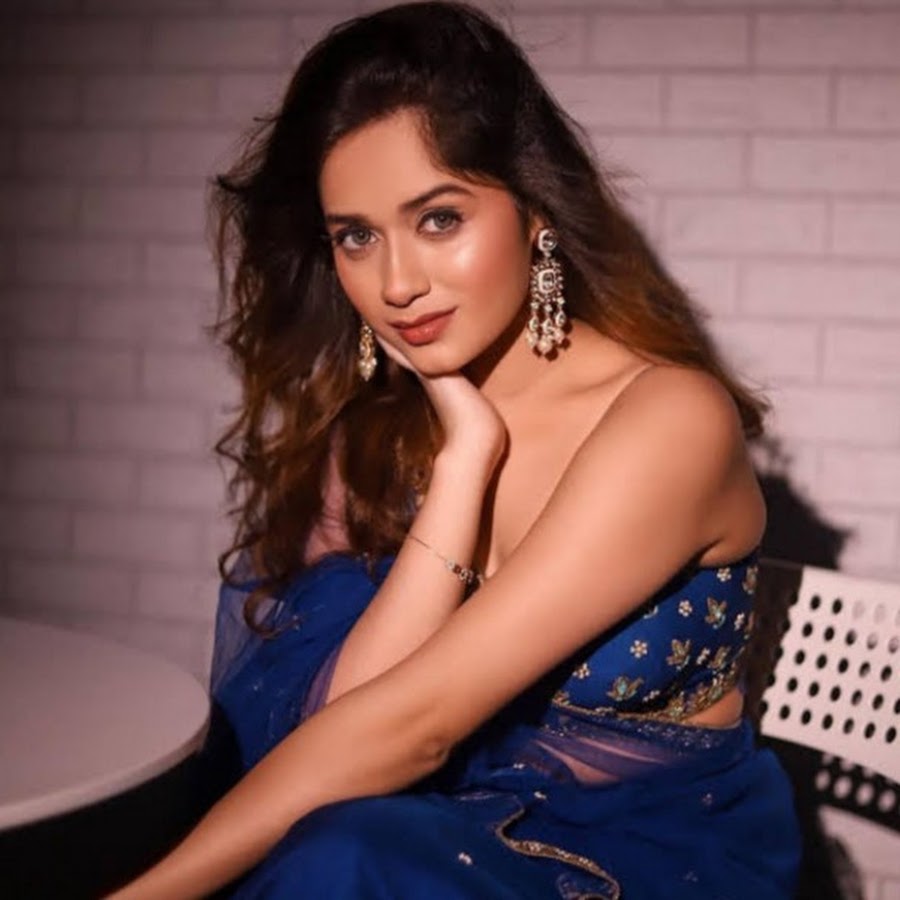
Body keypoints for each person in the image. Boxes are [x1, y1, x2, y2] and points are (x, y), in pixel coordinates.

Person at [110, 3, 801, 897]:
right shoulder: (393, 431)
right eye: (356, 236)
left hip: (651, 857)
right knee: (326, 847)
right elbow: (340, 725)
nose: (397, 283)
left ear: (534, 209)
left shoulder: (670, 420)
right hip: (442, 824)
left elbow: (419, 725)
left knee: (335, 860)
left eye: (438, 219)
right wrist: (465, 459)